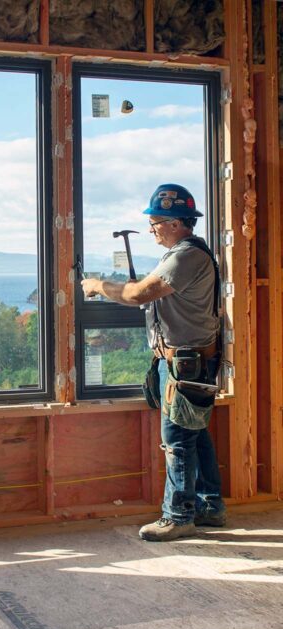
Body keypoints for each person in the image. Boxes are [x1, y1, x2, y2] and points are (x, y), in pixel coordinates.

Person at [81, 184, 226, 542]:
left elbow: (138, 294)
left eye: (157, 221)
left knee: (177, 439)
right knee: (195, 434)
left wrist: (98, 285)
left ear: (177, 223)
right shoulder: (181, 254)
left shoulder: (186, 256)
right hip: (189, 361)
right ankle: (209, 505)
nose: (151, 229)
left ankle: (178, 516)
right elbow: (154, 293)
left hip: (186, 365)